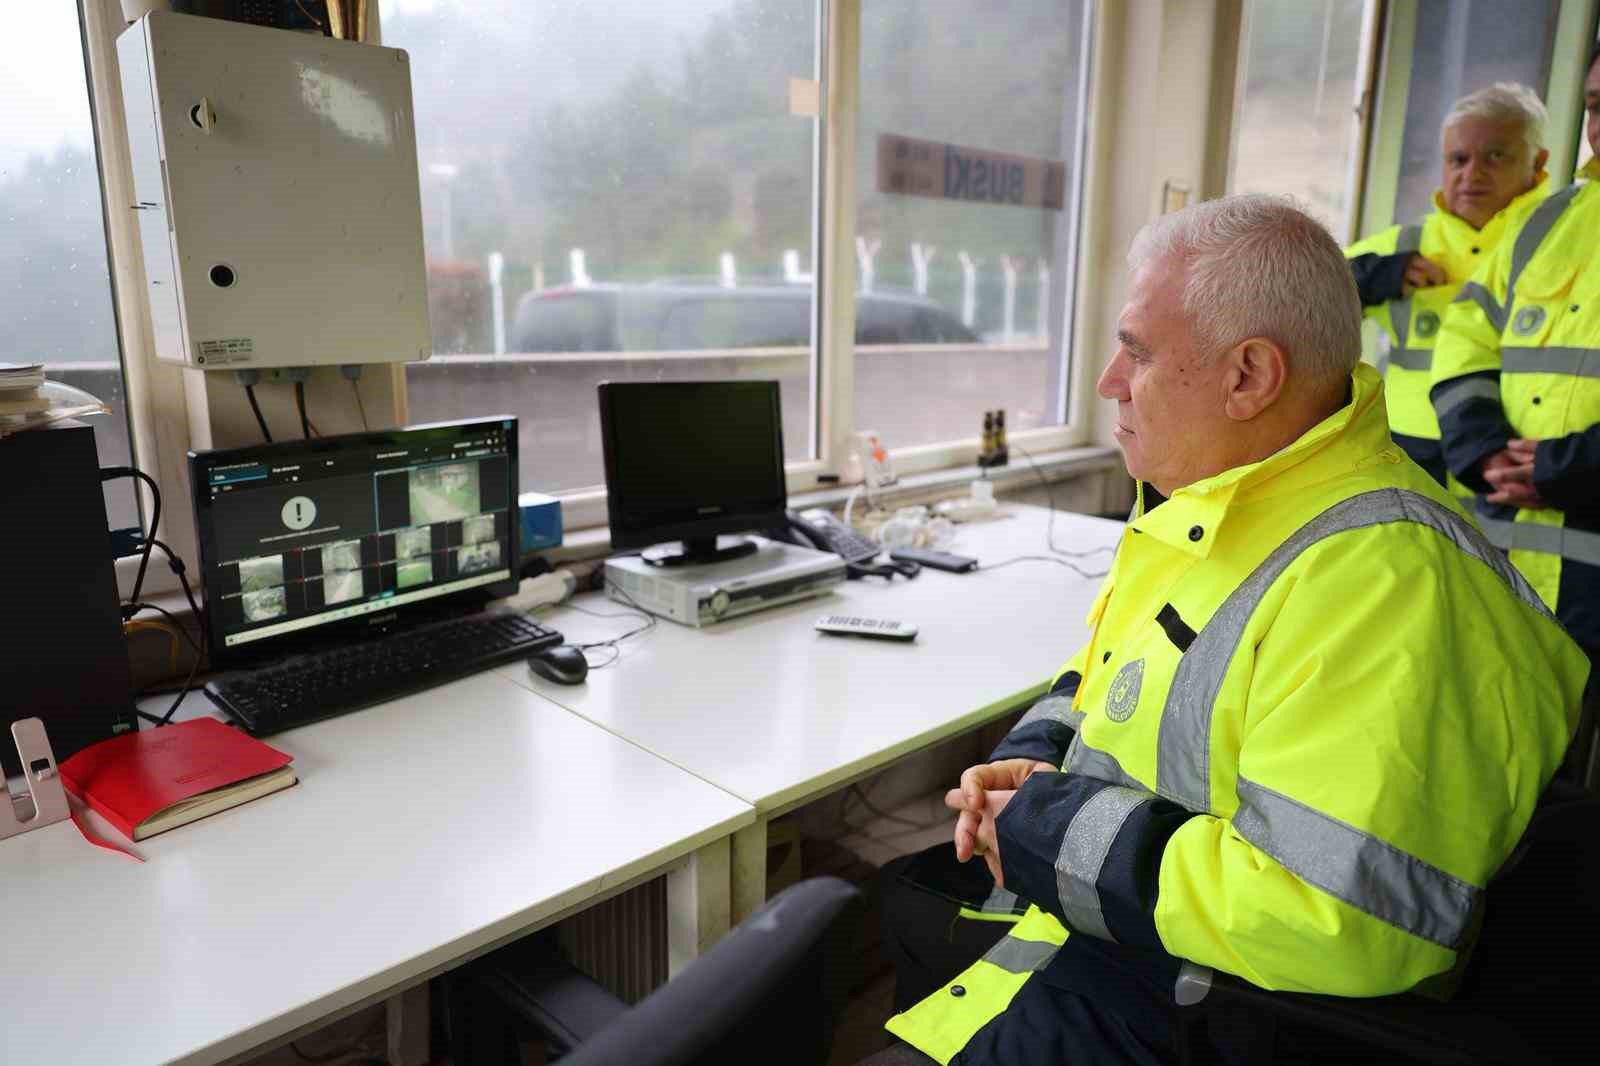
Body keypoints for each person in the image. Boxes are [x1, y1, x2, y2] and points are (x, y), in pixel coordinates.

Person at [867, 195, 1588, 1066]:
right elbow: (1115, 669)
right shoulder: (1233, 503)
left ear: (1249, 376)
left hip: (1185, 1012)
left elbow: (1334, 916)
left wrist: (1043, 829)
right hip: (1099, 955)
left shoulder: (1382, 585)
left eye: (1136, 352)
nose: (1108, 382)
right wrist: (1040, 757)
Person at [1430, 49, 1600, 684]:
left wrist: (1568, 470)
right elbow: (1466, 338)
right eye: (1594, 106)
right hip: (1502, 564)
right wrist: (1480, 449)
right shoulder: (1544, 223)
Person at [1346, 83, 1550, 490]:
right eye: (1458, 159)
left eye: (1495, 156)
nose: (1472, 174)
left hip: (1508, 455)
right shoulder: (1404, 247)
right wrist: (1376, 275)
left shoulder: (1560, 245)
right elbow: (1298, 295)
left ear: (1537, 161)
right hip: (1406, 454)